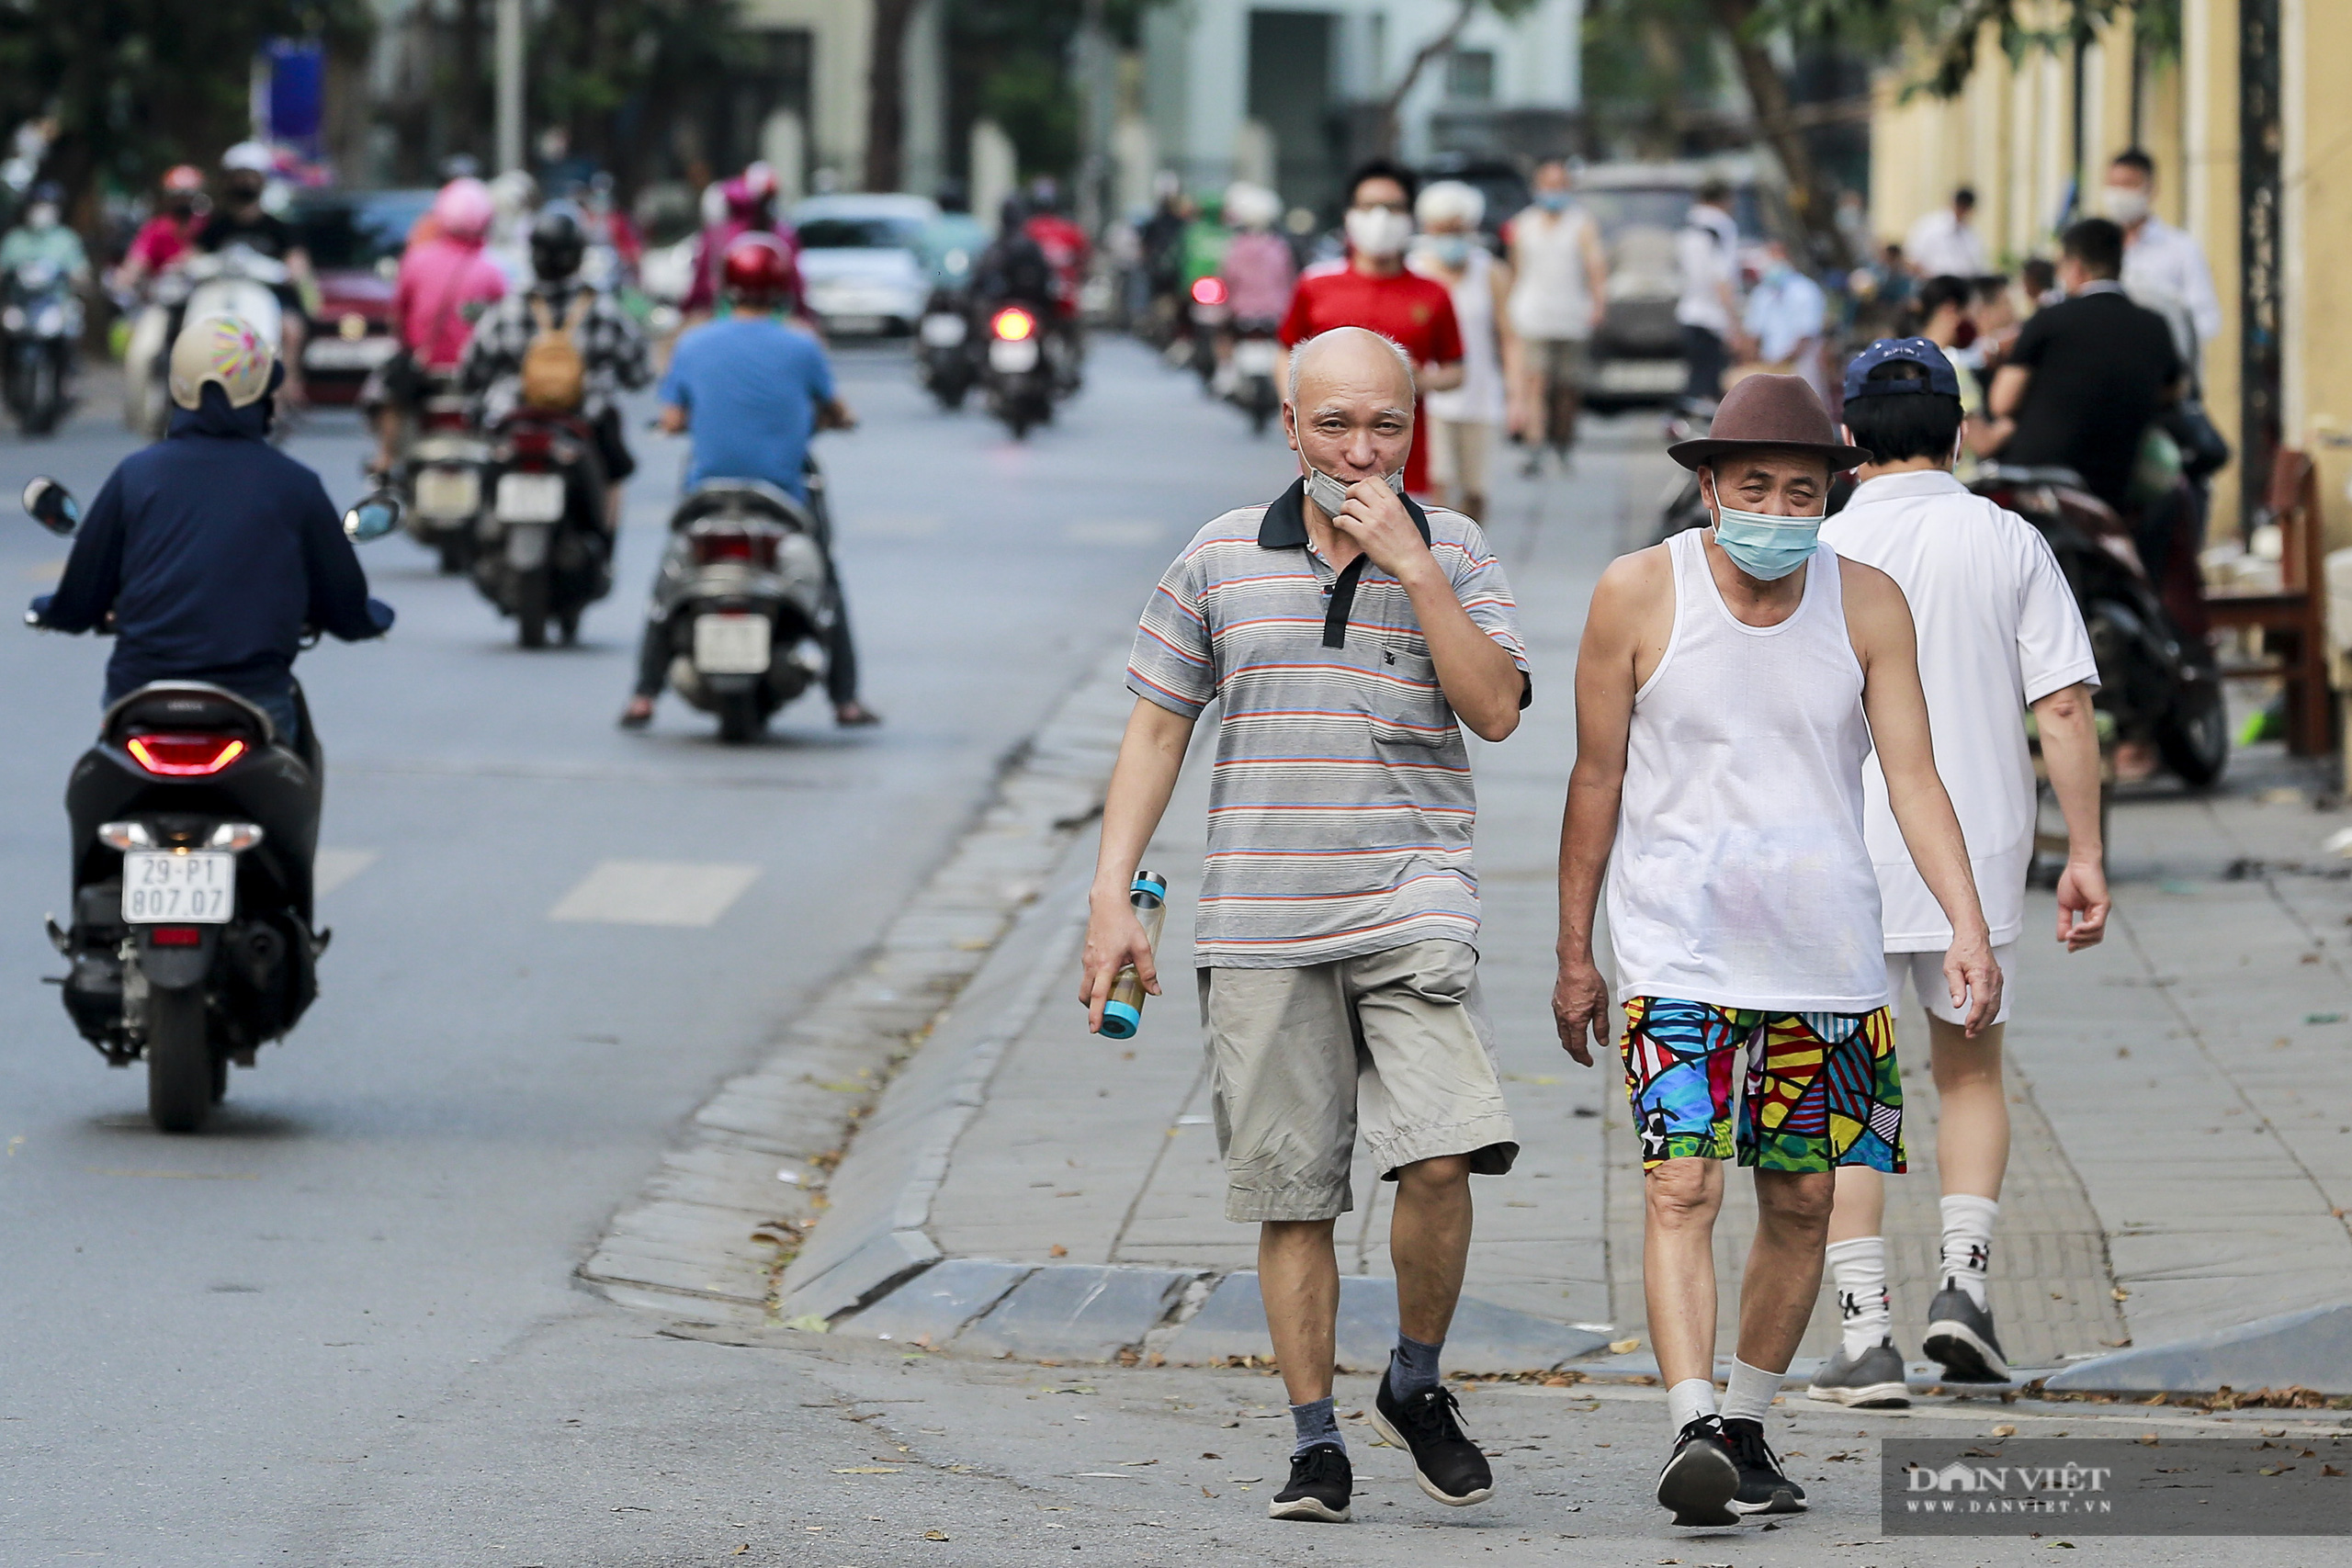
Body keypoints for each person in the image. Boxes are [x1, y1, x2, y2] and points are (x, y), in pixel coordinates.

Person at [1084, 325, 1529, 1525]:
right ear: (1290, 429)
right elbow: (1156, 730)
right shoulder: (1222, 556)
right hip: (1260, 921)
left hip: (1412, 907)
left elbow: (1495, 711)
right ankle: (1314, 1438)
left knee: (1444, 1151)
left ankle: (1414, 1378)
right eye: (1334, 424)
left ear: (1413, 428)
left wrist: (1419, 569)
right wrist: (1112, 895)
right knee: (1296, 1193)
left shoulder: (1460, 549)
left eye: (1385, 424)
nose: (1360, 449)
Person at [1552, 373, 1999, 1527]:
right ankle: (1689, 1420)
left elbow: (1912, 778)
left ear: (1830, 497)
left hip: (1824, 954)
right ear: (1707, 487)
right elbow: (1594, 778)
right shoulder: (1635, 594)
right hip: (1677, 952)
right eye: (1753, 485)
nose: (1776, 507)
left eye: (1802, 490)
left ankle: (1745, 1423)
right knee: (1681, 1186)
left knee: (1802, 1204)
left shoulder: (1867, 602)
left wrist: (1965, 923)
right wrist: (1574, 950)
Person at [1804, 338, 2108, 1406]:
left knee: (1847, 1087)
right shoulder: (2007, 538)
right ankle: (1964, 1296)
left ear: (1844, 440)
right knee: (1969, 1073)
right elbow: (2062, 706)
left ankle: (1862, 1333)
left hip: (1840, 848)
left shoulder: (1818, 544)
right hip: (1973, 853)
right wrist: (2086, 854)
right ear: (1961, 430)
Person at [29, 315, 392, 746]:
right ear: (262, 393)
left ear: (178, 388)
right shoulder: (296, 484)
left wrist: (53, 610)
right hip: (253, 698)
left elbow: (80, 599)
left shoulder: (135, 476)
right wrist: (369, 619)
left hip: (140, 696)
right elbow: (344, 604)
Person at [620, 234, 876, 731]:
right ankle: (844, 699)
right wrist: (837, 420)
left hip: (707, 497)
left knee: (665, 585)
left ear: (726, 286)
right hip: (783, 497)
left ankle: (643, 695)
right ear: (781, 288)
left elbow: (672, 418)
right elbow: (837, 409)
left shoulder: (693, 344)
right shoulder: (802, 347)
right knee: (825, 578)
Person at [458, 204, 651, 534]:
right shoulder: (604, 309)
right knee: (614, 467)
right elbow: (638, 373)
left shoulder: (508, 309)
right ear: (578, 256)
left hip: (512, 418)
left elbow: (471, 370)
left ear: (533, 255)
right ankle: (604, 537)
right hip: (585, 419)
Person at [1279, 161, 1464, 499]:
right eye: (1368, 206)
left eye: (1393, 208)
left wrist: (1423, 381)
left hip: (1407, 467)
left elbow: (1456, 369)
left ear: (1410, 217)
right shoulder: (1315, 285)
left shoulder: (1432, 293)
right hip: (1326, 466)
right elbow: (1286, 351)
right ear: (1350, 214)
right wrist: (1298, 411)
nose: (1380, 218)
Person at [1977, 218, 2183, 515]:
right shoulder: (2155, 327)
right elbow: (2171, 392)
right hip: (2115, 487)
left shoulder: (2049, 319)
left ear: (2075, 268)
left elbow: (2002, 402)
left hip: (2036, 485)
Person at [367, 177, 507, 474]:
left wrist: (411, 350)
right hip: (478, 376)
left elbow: (399, 319)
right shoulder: (493, 270)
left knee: (382, 394)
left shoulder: (416, 260)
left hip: (422, 369)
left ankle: (386, 458)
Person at [1409, 180, 1515, 520]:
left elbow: (1509, 336)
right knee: (1439, 481)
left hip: (1481, 395)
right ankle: (1440, 558)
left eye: (1457, 230)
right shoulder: (1415, 271)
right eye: (1442, 230)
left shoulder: (1491, 272)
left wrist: (1518, 396)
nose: (1450, 238)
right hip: (1431, 396)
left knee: (1476, 490)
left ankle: (1470, 553)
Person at [1505, 158, 1608, 473]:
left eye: (1559, 185)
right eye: (1548, 185)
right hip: (1532, 314)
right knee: (1535, 383)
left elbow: (1595, 267)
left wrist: (1598, 303)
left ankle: (1563, 442)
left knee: (1566, 387)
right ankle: (1535, 446)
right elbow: (1515, 270)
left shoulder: (1581, 223)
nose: (1553, 192)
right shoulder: (1522, 224)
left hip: (1571, 316)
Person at [194, 141, 315, 406]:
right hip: (221, 296)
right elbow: (193, 258)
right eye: (238, 177)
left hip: (268, 298)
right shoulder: (215, 227)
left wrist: (290, 272)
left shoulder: (280, 228)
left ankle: (289, 382)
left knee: (291, 328)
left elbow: (298, 265)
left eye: (249, 177)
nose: (243, 184)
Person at [2103, 149, 2222, 355]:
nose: (2119, 195)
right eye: (2114, 185)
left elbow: (2207, 319)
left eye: (2129, 185)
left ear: (2151, 189)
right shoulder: (2096, 247)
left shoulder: (2181, 249)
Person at [684, 164, 802, 321]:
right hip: (762, 315)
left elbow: (702, 283)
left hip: (729, 315)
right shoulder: (782, 234)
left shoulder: (719, 233)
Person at [1675, 179, 1744, 411]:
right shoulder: (1721, 226)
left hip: (1689, 312)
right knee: (1711, 384)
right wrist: (1735, 324)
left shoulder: (1688, 224)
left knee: (1696, 379)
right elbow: (1722, 278)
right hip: (1713, 317)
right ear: (1725, 198)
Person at [1740, 240, 1829, 403]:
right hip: (1769, 370)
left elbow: (1806, 336)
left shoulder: (1806, 291)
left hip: (1800, 368)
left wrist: (1780, 366)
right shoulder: (1761, 294)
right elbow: (1752, 335)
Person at [112, 166, 208, 295]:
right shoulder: (156, 228)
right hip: (167, 294)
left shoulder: (207, 225)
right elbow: (137, 259)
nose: (183, 202)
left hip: (204, 293)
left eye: (187, 197)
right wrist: (125, 278)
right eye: (177, 197)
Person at [1904, 187, 1989, 280]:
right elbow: (1911, 260)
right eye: (1961, 206)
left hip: (1962, 287)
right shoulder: (1929, 227)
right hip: (1933, 285)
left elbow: (1977, 267)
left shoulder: (1971, 235)